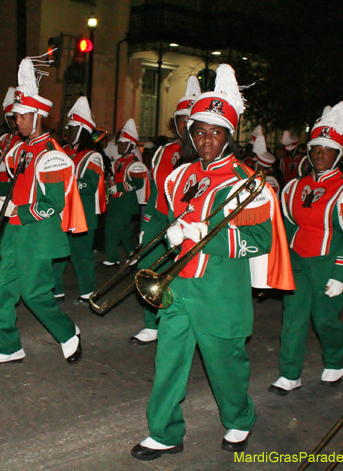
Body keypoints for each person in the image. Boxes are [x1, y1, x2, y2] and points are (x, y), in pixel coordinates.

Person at [131, 64, 294, 461]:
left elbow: (260, 240)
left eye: (216, 132)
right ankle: (165, 431)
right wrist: (173, 233)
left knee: (226, 367)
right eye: (200, 131)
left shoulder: (247, 182)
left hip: (220, 289)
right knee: (168, 361)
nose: (206, 139)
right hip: (179, 286)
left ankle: (239, 418)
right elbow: (176, 219)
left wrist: (202, 235)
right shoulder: (181, 175)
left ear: (228, 136)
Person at [270, 102, 343, 396]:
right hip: (298, 262)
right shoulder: (293, 187)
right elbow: (288, 227)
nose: (320, 155)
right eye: (316, 149)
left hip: (331, 262)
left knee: (324, 319)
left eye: (327, 150)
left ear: (338, 155)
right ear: (309, 152)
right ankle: (289, 373)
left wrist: (341, 273)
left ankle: (335, 359)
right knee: (293, 318)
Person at [0, 57, 85, 366]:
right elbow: (16, 183)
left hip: (38, 232)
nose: (17, 121)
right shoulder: (23, 148)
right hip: (14, 230)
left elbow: (53, 204)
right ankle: (9, 346)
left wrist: (17, 210)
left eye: (23, 116)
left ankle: (68, 334)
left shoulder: (53, 155)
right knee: (2, 291)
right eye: (16, 116)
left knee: (35, 294)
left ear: (38, 116)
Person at [132, 75, 199, 345]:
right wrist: (146, 225)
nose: (185, 124)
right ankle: (152, 323)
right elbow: (155, 192)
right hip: (160, 219)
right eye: (181, 119)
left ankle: (183, 323)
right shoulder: (162, 152)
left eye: (190, 119)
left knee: (183, 275)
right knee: (147, 268)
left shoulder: (204, 153)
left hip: (189, 224)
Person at [52, 96, 106, 301]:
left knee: (81, 255)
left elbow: (89, 185)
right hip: (64, 212)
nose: (69, 133)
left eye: (73, 129)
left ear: (83, 131)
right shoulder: (64, 151)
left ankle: (88, 290)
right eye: (69, 128)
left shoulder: (93, 156)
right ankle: (56, 288)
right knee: (57, 251)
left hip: (83, 214)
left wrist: (66, 186)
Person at [103, 118, 148, 266]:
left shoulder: (136, 165)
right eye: (119, 143)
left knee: (115, 229)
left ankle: (116, 256)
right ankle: (127, 255)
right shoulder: (119, 162)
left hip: (126, 202)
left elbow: (138, 183)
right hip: (116, 201)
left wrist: (119, 187)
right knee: (121, 231)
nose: (120, 146)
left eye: (123, 143)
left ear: (131, 145)